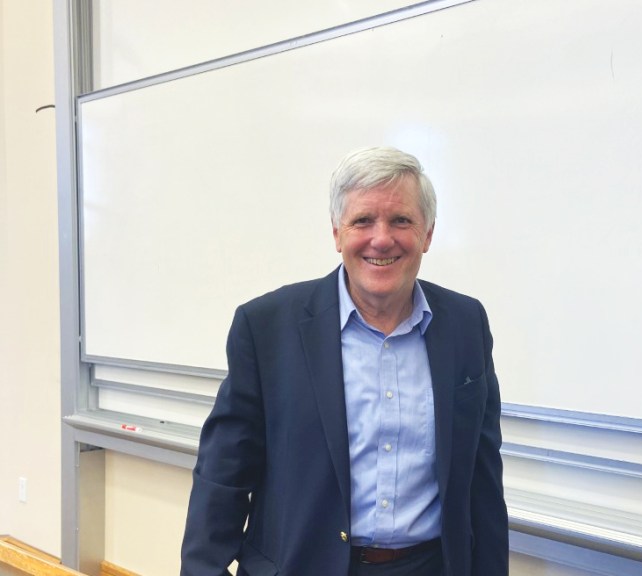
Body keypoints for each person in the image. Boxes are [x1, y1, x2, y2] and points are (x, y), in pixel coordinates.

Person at [180, 147, 508, 576]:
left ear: (427, 234)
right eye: (363, 220)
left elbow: (482, 481)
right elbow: (224, 473)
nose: (382, 238)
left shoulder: (466, 325)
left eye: (401, 220)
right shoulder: (266, 327)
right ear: (337, 233)